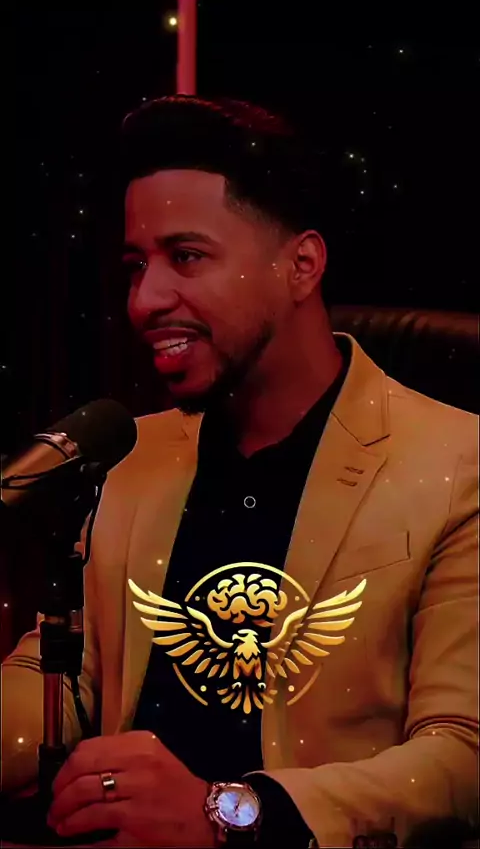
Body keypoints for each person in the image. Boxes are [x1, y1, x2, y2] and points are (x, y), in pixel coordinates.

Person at [1, 96, 478, 849]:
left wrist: (226, 812)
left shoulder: (457, 465)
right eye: (136, 266)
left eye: (186, 257)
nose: (145, 300)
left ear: (302, 266)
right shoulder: (130, 454)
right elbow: (65, 677)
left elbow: (462, 757)